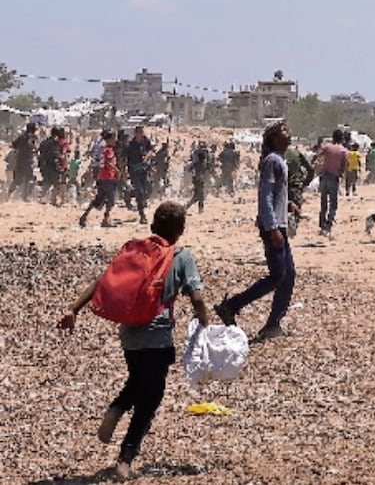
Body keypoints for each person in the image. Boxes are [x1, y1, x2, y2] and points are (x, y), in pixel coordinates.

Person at [57, 201, 210, 481]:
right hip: (158, 337)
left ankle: (116, 408)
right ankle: (125, 459)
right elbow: (197, 297)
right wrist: (205, 322)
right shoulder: (181, 256)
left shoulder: (135, 250)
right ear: (180, 230)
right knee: (150, 400)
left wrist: (73, 309)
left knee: (137, 380)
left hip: (129, 335)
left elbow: (103, 281)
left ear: (154, 224)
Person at [214, 121, 297, 343]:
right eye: (284, 131)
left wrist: (288, 204)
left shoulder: (279, 160)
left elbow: (276, 194)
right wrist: (271, 228)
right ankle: (231, 306)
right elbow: (265, 196)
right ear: (274, 138)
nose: (289, 134)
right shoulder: (272, 161)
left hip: (279, 224)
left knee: (288, 276)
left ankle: (273, 324)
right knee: (278, 276)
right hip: (273, 227)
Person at [80, 130, 119, 228]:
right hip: (107, 177)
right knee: (110, 200)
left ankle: (84, 216)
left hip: (102, 177)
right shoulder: (108, 150)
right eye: (114, 139)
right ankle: (105, 220)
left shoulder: (104, 149)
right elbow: (108, 163)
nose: (115, 141)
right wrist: (117, 170)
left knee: (98, 199)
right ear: (109, 140)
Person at [316, 129, 348, 236]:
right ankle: (329, 225)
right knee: (333, 203)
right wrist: (341, 173)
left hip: (324, 176)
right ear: (342, 138)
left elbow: (318, 155)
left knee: (323, 202)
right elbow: (344, 165)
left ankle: (321, 225)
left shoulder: (327, 147)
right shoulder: (343, 150)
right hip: (334, 177)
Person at [124, 126, 155, 224]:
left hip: (144, 170)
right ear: (136, 133)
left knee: (145, 190)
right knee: (139, 192)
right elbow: (125, 158)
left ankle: (129, 193)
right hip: (134, 171)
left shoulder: (145, 141)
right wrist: (123, 171)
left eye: (143, 132)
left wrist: (147, 158)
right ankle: (142, 215)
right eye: (140, 132)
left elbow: (151, 150)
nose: (142, 134)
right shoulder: (130, 145)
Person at [7, 122, 37, 202]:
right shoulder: (33, 137)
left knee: (17, 180)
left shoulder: (21, 137)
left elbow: (13, 145)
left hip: (20, 160)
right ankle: (25, 196)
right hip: (28, 161)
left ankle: (8, 196)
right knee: (30, 179)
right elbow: (33, 147)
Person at [185, 142, 210, 214]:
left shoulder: (196, 163)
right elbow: (208, 170)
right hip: (199, 180)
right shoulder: (204, 164)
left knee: (197, 195)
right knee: (200, 195)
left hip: (196, 180)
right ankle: (200, 209)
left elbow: (189, 169)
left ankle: (187, 206)